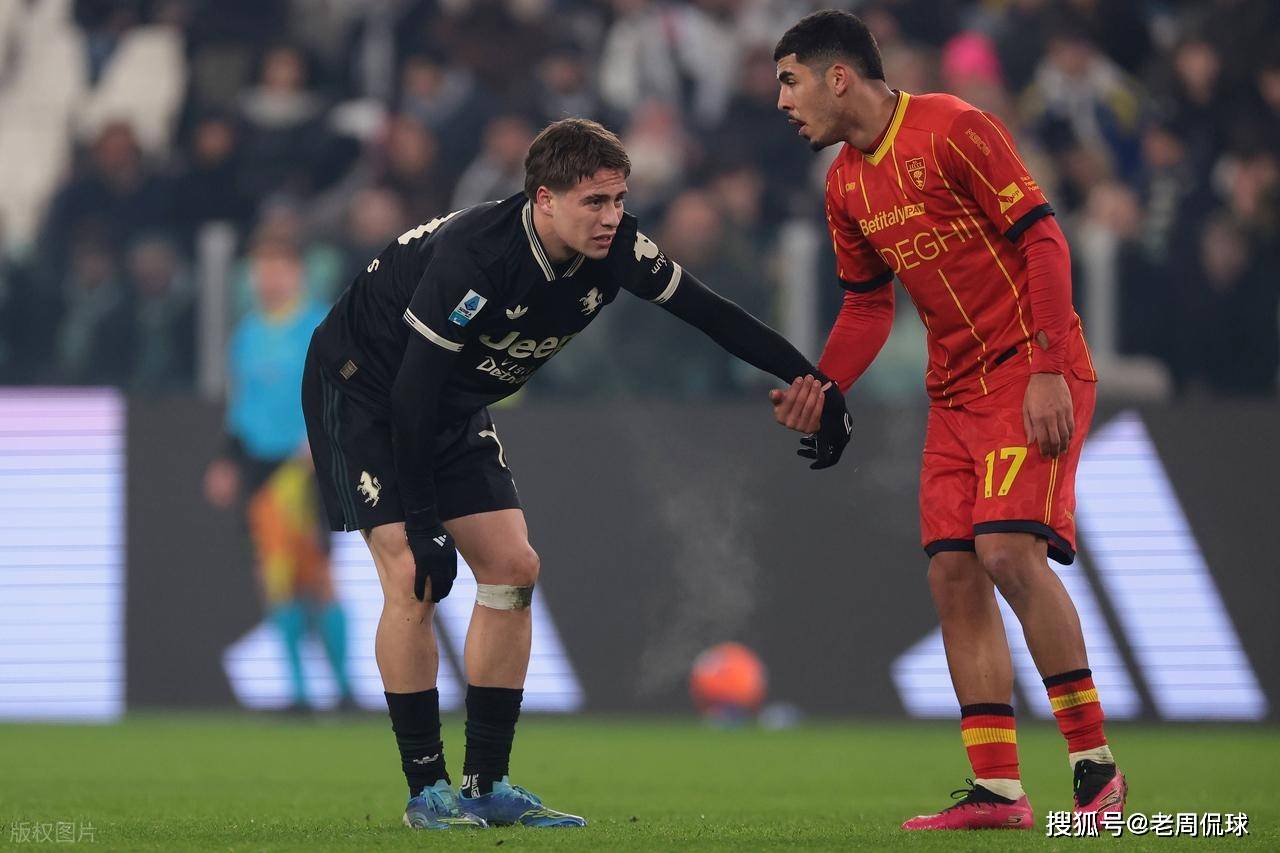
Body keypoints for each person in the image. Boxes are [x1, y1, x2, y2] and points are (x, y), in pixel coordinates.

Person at [300, 117, 852, 831]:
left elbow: (712, 315)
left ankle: (487, 783)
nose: (611, 217)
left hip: (448, 400)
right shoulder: (475, 258)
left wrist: (817, 384)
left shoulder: (617, 249)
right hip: (367, 390)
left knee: (513, 568)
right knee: (414, 574)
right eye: (594, 201)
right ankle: (427, 790)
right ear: (544, 199)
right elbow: (410, 396)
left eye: (619, 199)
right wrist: (428, 522)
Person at [769, 10, 1123, 830]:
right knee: (953, 573)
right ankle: (998, 789)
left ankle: (1095, 766)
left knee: (1005, 551)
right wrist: (822, 384)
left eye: (789, 81)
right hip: (954, 392)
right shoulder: (844, 185)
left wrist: (1047, 366)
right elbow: (867, 308)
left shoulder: (956, 128)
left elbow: (1045, 241)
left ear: (838, 77)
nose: (782, 102)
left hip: (1030, 369)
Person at [205, 237, 354, 713]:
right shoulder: (246, 334)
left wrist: (322, 439)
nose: (269, 279)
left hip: (307, 464)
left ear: (298, 274)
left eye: (278, 269)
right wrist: (227, 459)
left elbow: (345, 390)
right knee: (273, 574)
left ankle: (345, 690)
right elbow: (241, 404)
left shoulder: (321, 325)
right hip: (260, 466)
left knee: (317, 572)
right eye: (261, 270)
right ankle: (298, 692)